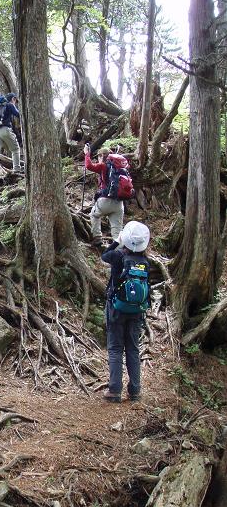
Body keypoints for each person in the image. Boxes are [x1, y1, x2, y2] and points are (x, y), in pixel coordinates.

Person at [101, 221, 150, 403]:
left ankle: (114, 391)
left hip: (116, 308)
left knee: (115, 348)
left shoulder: (117, 256)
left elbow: (103, 255)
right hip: (137, 311)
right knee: (133, 348)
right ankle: (135, 391)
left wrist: (116, 240)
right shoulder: (145, 262)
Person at [83, 144, 124, 247]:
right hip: (119, 203)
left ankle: (97, 238)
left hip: (105, 200)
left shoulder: (103, 166)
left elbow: (89, 166)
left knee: (94, 215)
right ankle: (119, 252)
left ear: (101, 156)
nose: (98, 159)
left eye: (98, 157)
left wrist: (87, 153)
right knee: (117, 230)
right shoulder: (119, 168)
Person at [0, 92, 21, 181]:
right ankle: (17, 170)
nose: (15, 103)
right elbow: (18, 115)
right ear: (13, 99)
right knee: (15, 149)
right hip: (5, 130)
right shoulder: (10, 105)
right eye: (16, 101)